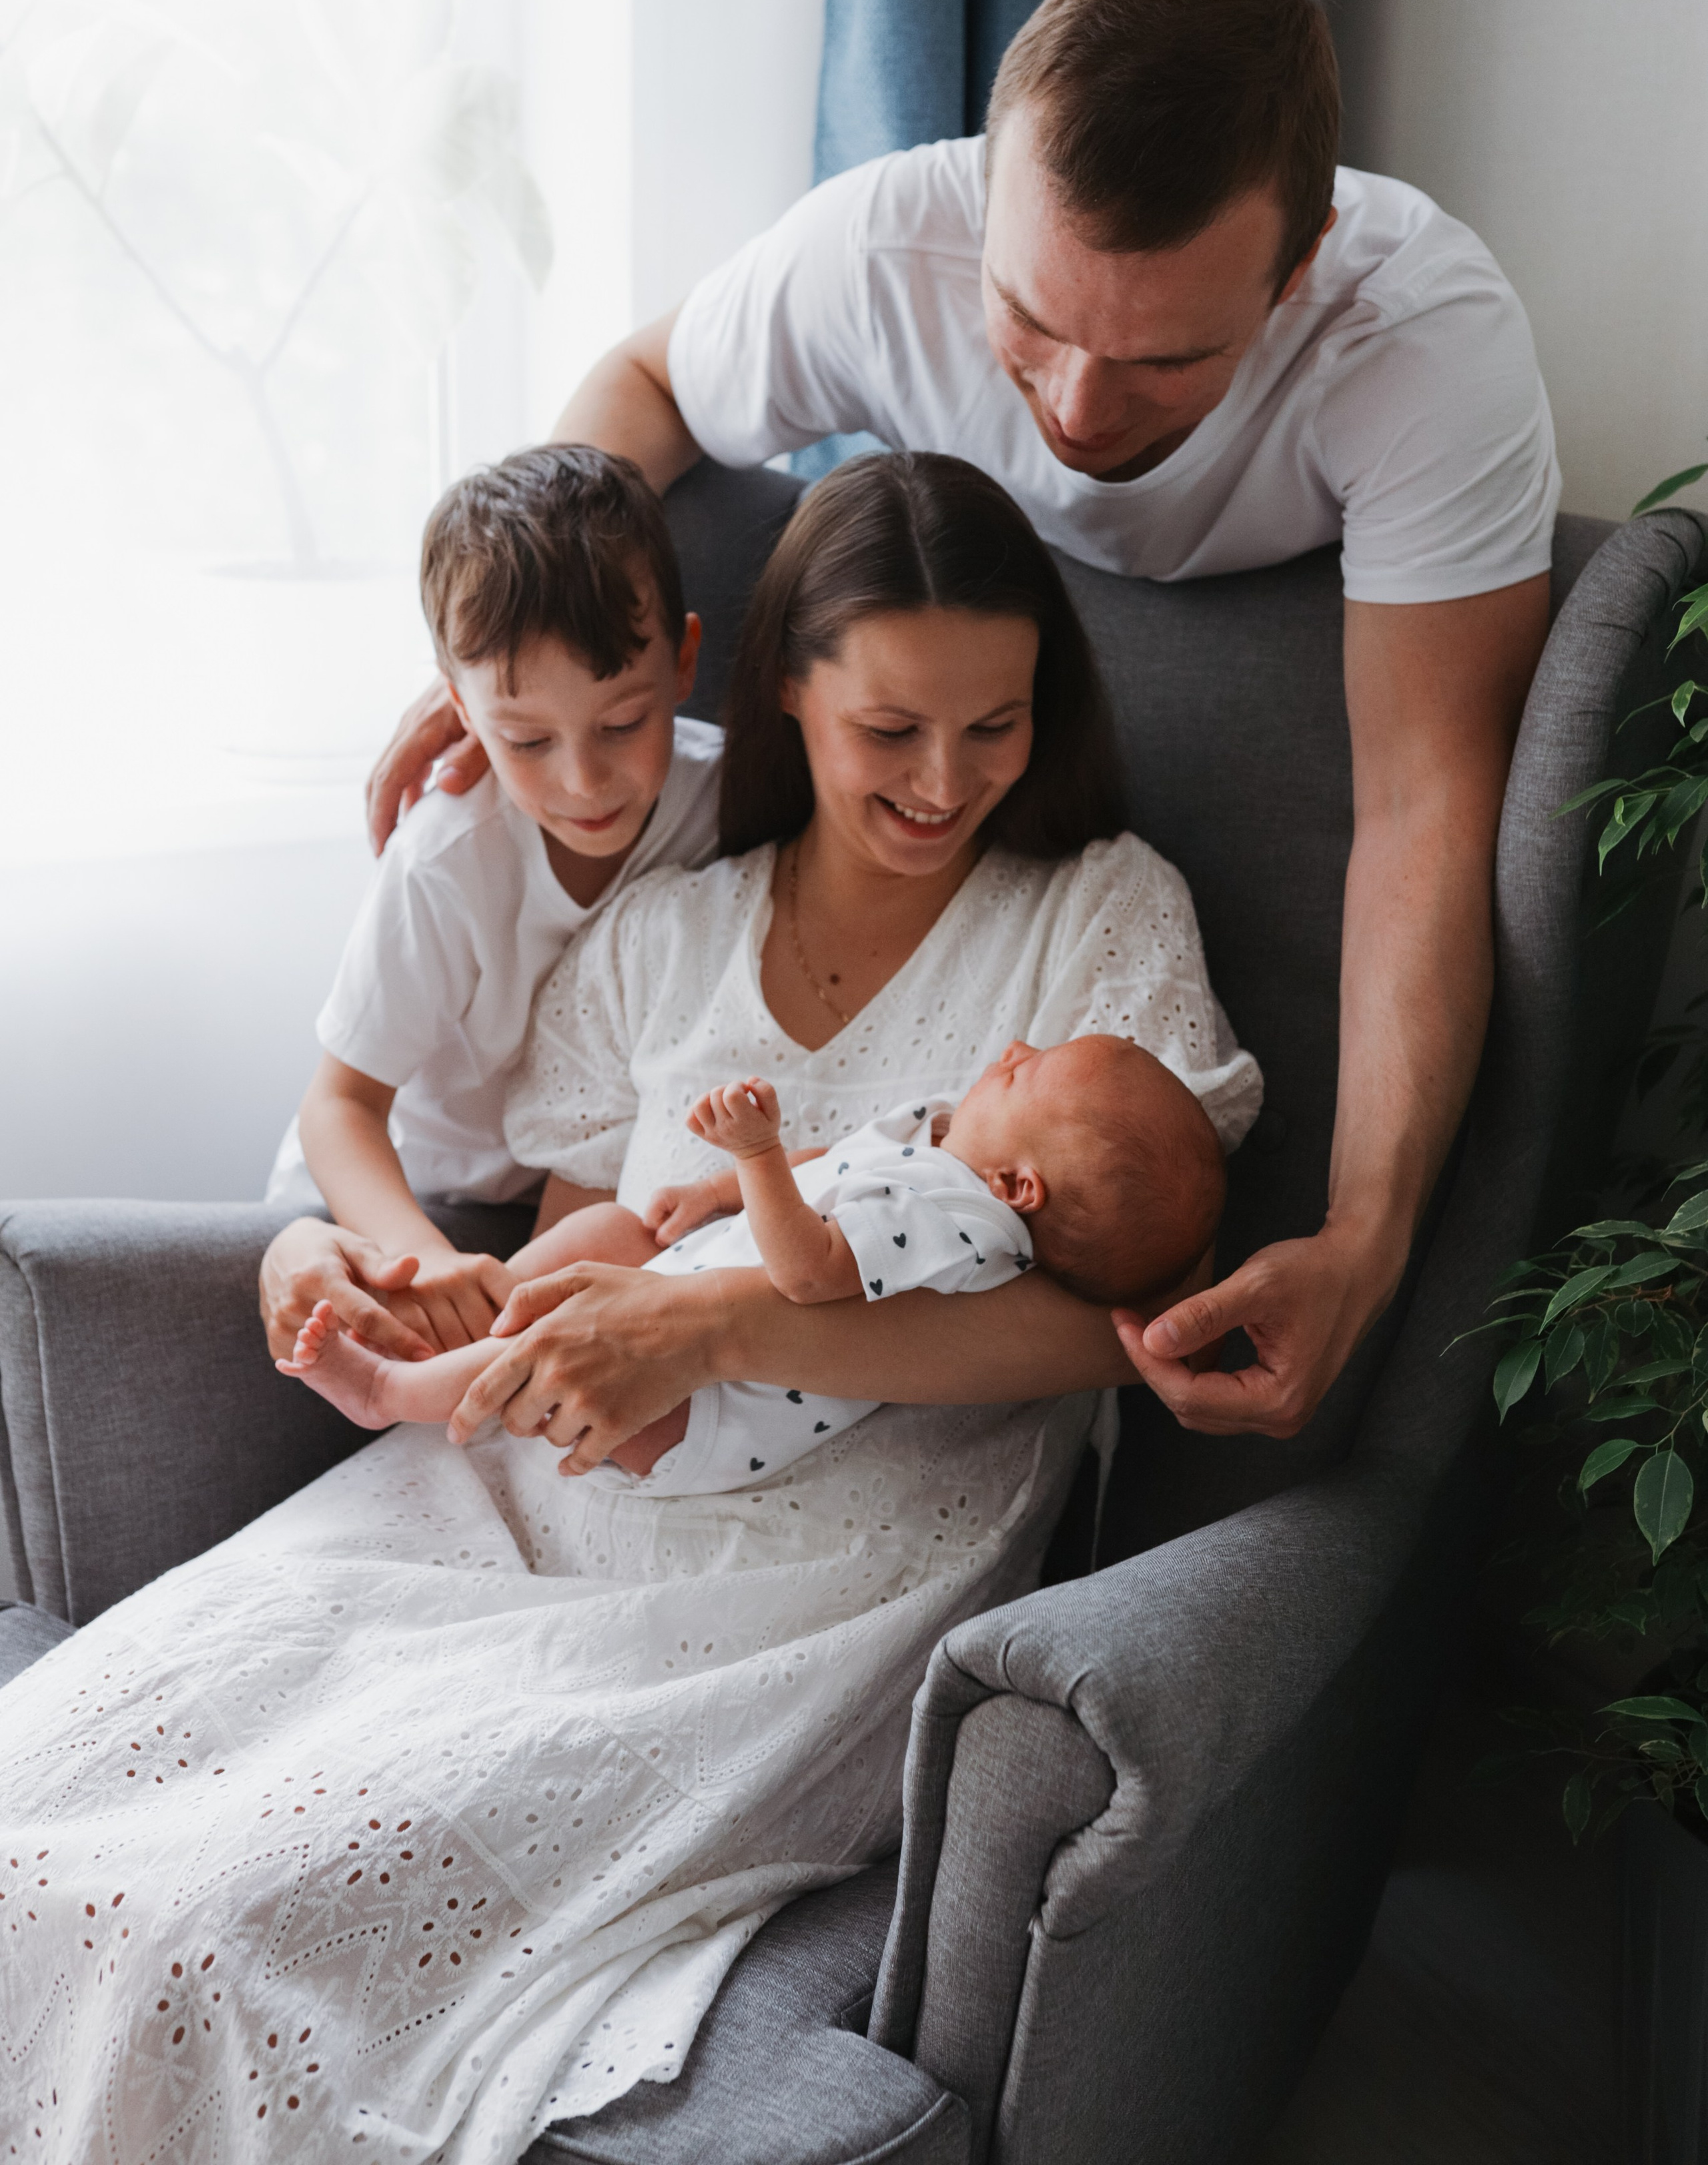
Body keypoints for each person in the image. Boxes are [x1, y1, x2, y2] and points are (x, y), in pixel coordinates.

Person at [7, 453, 1256, 2158]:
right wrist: (365, 1279)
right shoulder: (663, 941)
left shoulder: (1096, 921)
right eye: (890, 731)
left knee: (222, 1929)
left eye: (997, 724)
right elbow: (572, 1251)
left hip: (815, 1579)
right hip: (510, 1484)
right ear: (780, 694)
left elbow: (1111, 1325)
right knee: (40, 1817)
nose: (946, 780)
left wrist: (726, 1327)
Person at [360, 0, 1558, 1442]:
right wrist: (509, 664)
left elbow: (1424, 801)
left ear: (1300, 262)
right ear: (980, 192)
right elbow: (643, 388)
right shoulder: (874, 252)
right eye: (1033, 324)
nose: (1074, 407)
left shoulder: (1424, 349)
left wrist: (1363, 1239)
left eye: (1164, 360)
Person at [275, 1035, 1225, 1498]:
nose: (1014, 1050)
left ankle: (389, 1391)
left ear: (1020, 1187)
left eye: (1027, 1074)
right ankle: (480, 1321)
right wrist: (721, 1199)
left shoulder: (958, 1220)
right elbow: (843, 1168)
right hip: (691, 1301)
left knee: (559, 1333)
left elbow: (812, 1270)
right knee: (608, 1230)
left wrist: (755, 1159)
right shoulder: (943, 1157)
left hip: (715, 1408)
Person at [265, 441, 724, 1354]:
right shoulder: (450, 859)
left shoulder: (728, 798)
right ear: (459, 716)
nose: (586, 781)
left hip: (587, 1207)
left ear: (683, 661)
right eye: (526, 741)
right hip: (405, 1202)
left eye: (623, 723)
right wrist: (417, 1257)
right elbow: (340, 1108)